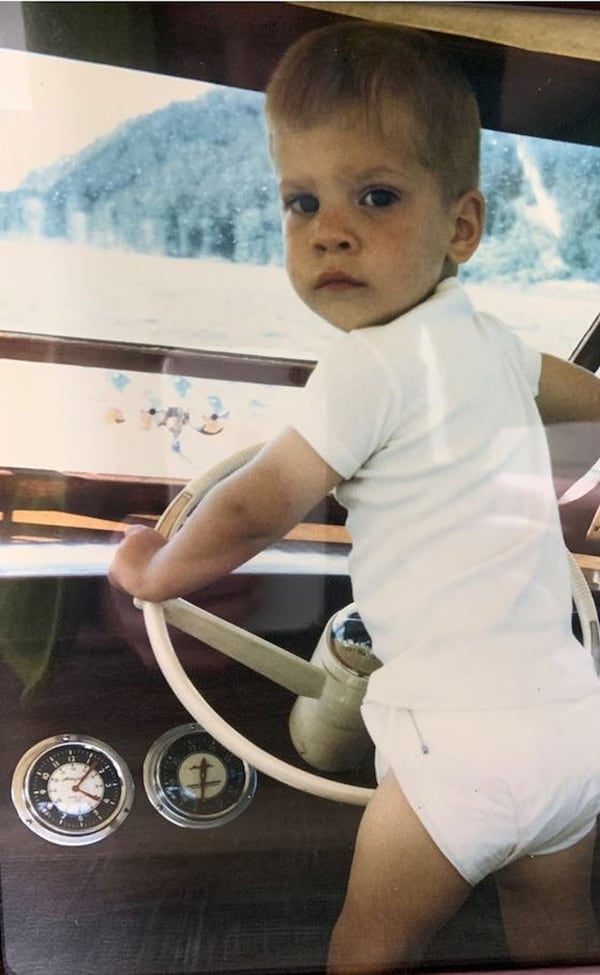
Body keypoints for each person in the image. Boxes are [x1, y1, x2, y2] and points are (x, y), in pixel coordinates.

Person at [109, 21, 600, 974]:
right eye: (302, 201)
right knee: (560, 946)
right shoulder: (494, 342)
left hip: (454, 748)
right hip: (578, 729)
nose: (330, 227)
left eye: (375, 196)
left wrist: (154, 568)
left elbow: (255, 508)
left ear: (461, 227)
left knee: (366, 951)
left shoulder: (362, 368)